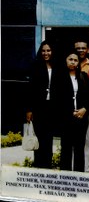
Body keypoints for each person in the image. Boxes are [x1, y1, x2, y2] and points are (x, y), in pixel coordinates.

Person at [26, 40, 58, 169]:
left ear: (52, 52)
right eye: (44, 50)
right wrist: (29, 109)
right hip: (38, 107)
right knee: (38, 138)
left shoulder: (57, 66)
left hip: (52, 107)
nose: (46, 53)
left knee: (48, 138)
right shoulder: (35, 66)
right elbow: (30, 89)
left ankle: (47, 167)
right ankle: (38, 167)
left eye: (48, 50)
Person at [56, 50, 89, 172]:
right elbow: (57, 99)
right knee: (66, 148)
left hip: (81, 117)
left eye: (75, 60)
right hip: (66, 118)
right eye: (70, 59)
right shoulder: (58, 77)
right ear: (65, 60)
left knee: (80, 148)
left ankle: (79, 177)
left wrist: (84, 109)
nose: (73, 62)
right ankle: (65, 176)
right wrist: (69, 112)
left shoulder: (83, 77)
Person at [74, 39, 89, 173]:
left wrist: (86, 107)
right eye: (78, 48)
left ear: (88, 50)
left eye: (83, 48)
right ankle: (73, 169)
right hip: (73, 109)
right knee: (73, 141)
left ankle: (88, 170)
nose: (80, 50)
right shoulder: (69, 64)